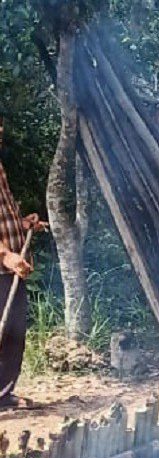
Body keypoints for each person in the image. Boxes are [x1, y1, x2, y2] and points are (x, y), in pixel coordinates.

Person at [0, 118, 46, 410]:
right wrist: (5, 255)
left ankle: (3, 395)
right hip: (4, 263)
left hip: (10, 268)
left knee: (13, 332)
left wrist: (24, 222)